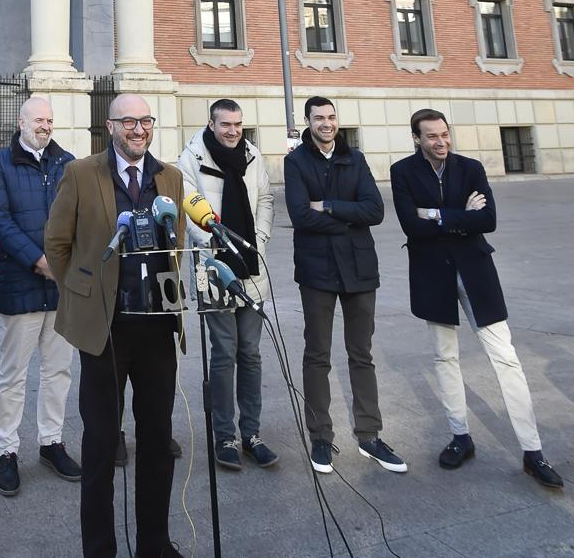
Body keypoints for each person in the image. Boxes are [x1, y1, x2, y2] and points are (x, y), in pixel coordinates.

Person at [45, 94, 206, 558]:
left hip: (158, 327)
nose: (139, 129)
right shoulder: (81, 173)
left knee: (158, 443)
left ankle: (154, 545)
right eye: (129, 121)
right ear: (109, 126)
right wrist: (87, 295)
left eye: (145, 121)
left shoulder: (171, 178)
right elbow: (58, 243)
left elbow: (175, 243)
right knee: (99, 450)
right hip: (106, 334)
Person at [390, 109, 563, 489]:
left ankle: (533, 451)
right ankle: (460, 437)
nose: (441, 142)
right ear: (416, 138)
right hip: (432, 275)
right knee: (445, 356)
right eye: (431, 136)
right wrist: (457, 216)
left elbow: (488, 220)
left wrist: (435, 215)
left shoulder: (470, 168)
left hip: (476, 273)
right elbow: (409, 224)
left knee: (506, 357)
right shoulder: (403, 171)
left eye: (444, 134)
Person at [284, 96, 406, 477]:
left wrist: (330, 206)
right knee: (317, 354)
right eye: (319, 117)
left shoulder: (355, 158)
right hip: (317, 270)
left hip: (358, 269)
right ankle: (321, 435)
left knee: (361, 353)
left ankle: (369, 435)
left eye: (331, 116)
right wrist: (348, 215)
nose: (326, 123)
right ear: (307, 121)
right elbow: (300, 215)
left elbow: (375, 211)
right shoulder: (295, 161)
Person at [0, 96, 79, 496]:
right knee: (13, 376)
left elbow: (81, 215)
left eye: (50, 120)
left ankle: (51, 443)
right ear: (20, 122)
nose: (45, 126)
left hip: (62, 289)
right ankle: (7, 451)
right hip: (22, 283)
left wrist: (65, 264)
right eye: (38, 119)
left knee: (58, 371)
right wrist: (39, 261)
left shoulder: (68, 162)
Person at [178, 98, 278, 471]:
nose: (233, 131)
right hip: (216, 267)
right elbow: (186, 205)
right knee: (223, 352)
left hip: (253, 267)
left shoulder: (252, 154)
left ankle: (251, 433)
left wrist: (262, 238)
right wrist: (213, 242)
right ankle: (226, 436)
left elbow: (266, 199)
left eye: (237, 124)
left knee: (250, 353)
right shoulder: (190, 158)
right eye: (225, 125)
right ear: (212, 123)